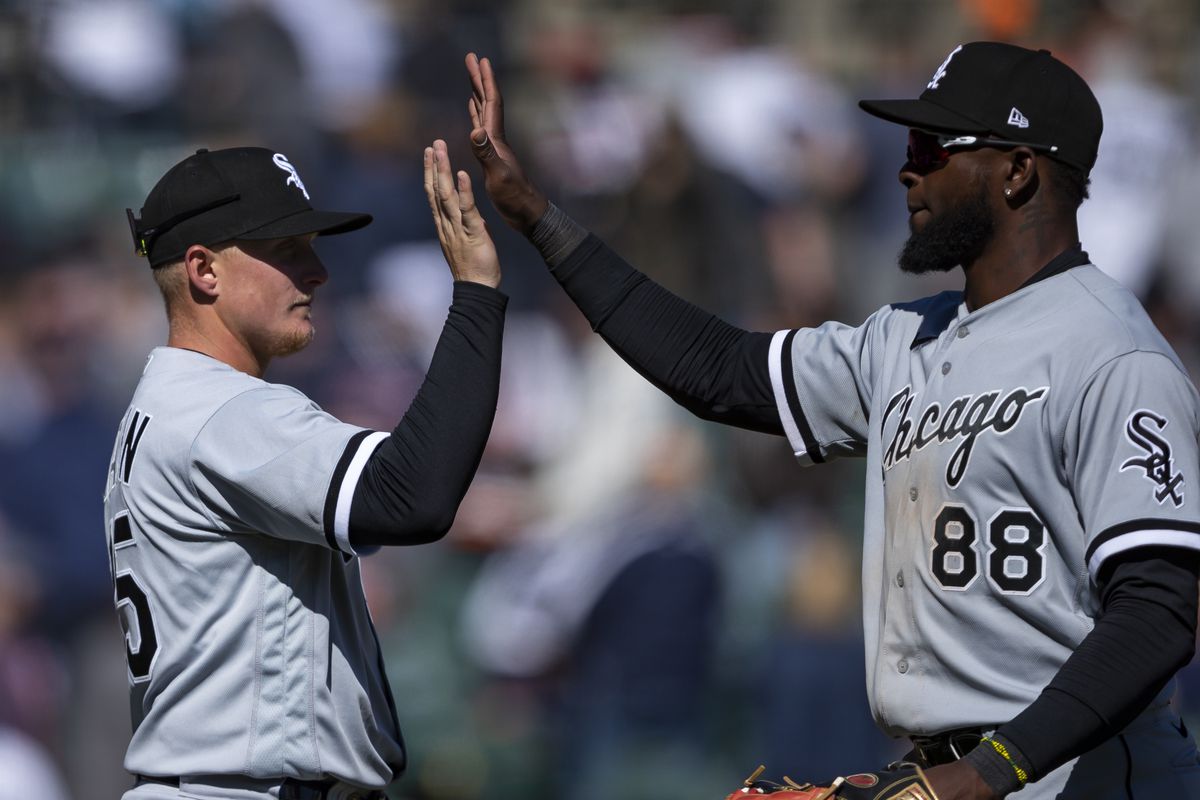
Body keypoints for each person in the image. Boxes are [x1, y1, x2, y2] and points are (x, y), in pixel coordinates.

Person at [458, 42, 1200, 799]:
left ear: (1017, 170)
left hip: (1081, 776)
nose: (907, 168)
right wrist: (541, 221)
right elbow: (718, 370)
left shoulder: (1113, 355)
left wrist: (987, 772)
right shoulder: (906, 337)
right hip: (945, 769)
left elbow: (1159, 611)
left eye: (932, 147)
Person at [106, 141, 503, 800]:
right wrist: (476, 296)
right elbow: (409, 498)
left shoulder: (167, 406)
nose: (317, 272)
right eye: (286, 249)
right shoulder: (219, 411)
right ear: (204, 270)